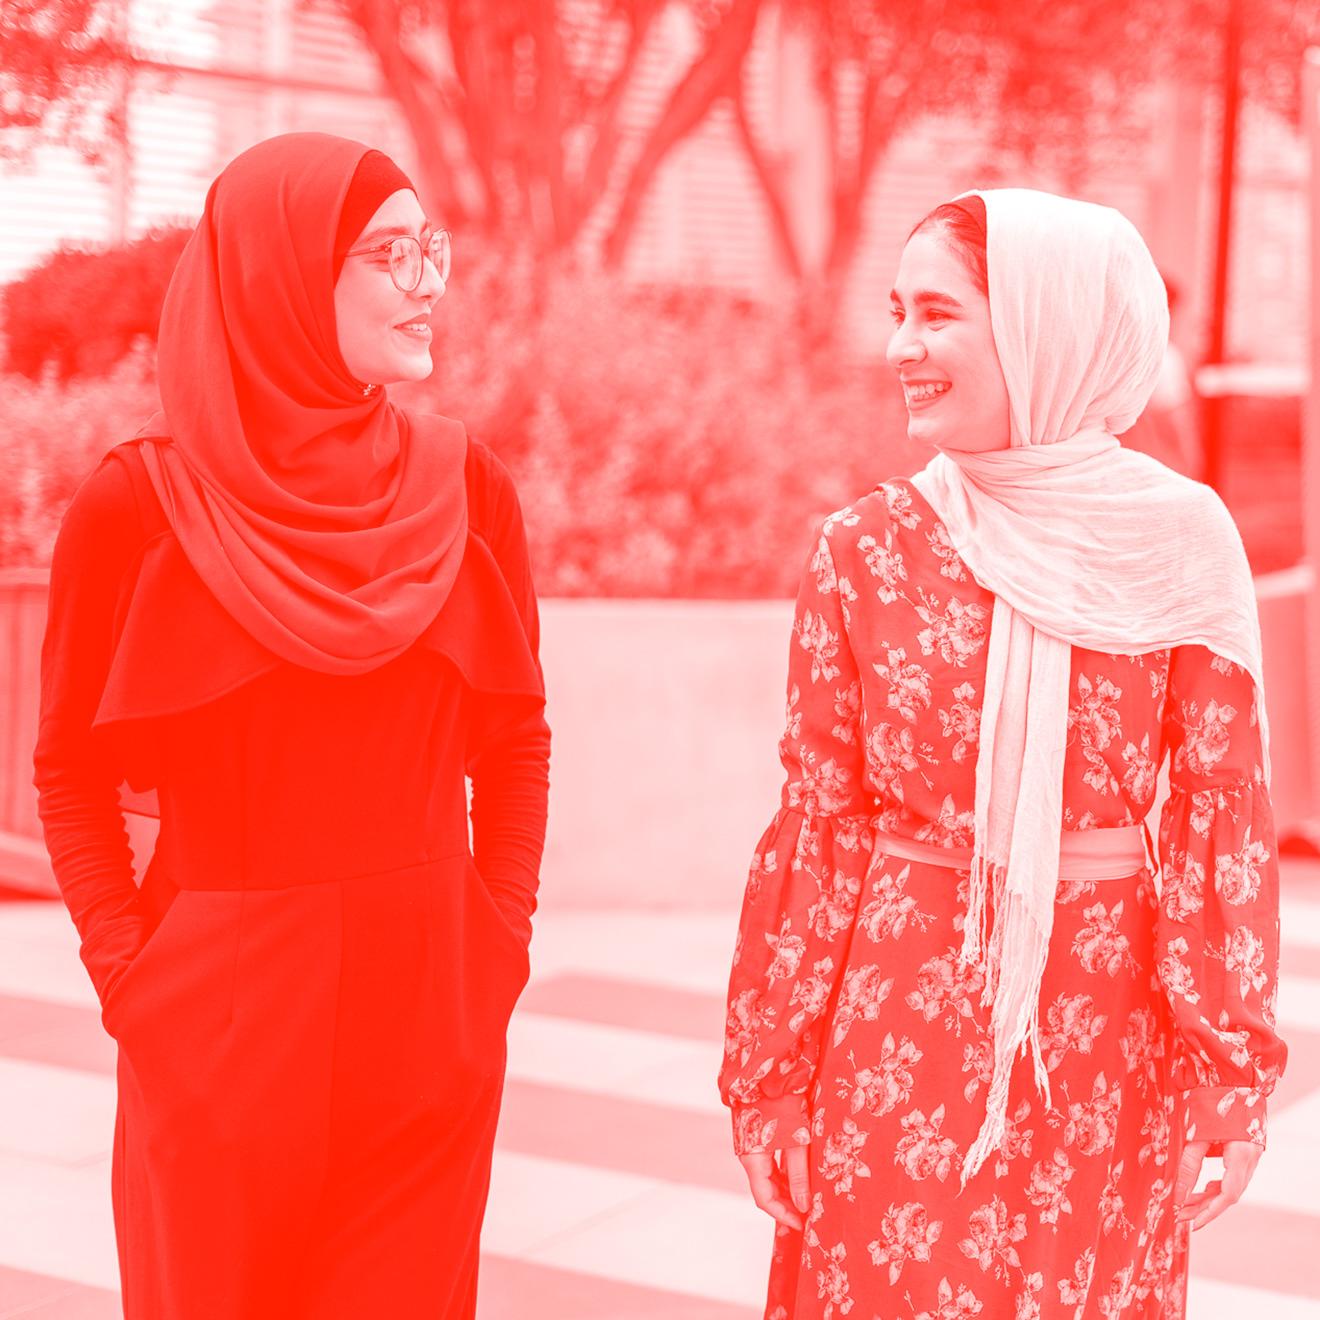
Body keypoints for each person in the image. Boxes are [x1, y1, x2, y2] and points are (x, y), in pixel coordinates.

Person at [718, 189, 1286, 1319]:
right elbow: (820, 829)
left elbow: (1217, 821)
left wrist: (1229, 1073)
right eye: (896, 312)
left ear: (1038, 323)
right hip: (895, 1035)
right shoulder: (864, 550)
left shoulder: (1179, 543)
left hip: (1103, 1045)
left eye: (937, 314)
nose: (901, 348)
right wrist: (771, 1080)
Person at [32, 133, 550, 1319]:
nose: (428, 280)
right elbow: (65, 771)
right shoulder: (138, 507)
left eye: (435, 249)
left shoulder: (468, 490)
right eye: (389, 253)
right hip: (211, 1018)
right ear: (277, 277)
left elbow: (518, 739)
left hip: (431, 1005)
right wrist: (131, 979)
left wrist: (496, 945)